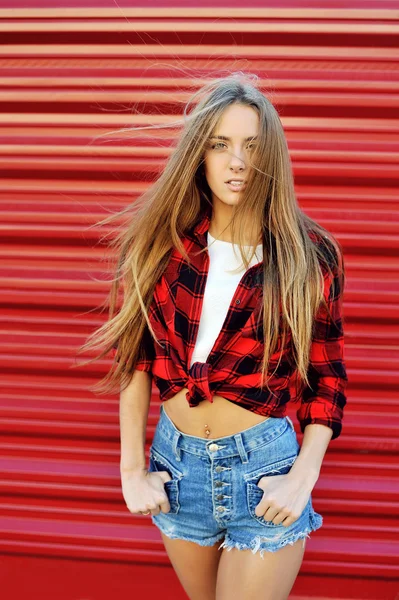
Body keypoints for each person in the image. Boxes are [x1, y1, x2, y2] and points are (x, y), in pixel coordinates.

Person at [80, 72, 348, 600]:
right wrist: (132, 469)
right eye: (220, 145)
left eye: (252, 146)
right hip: (177, 469)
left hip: (263, 472)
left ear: (272, 156)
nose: (238, 162)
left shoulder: (308, 257)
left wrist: (302, 478)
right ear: (199, 156)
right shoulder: (165, 247)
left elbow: (328, 380)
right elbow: (134, 358)